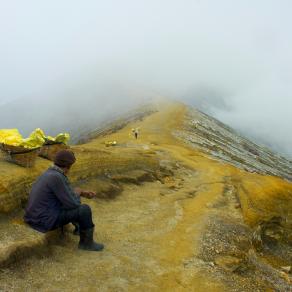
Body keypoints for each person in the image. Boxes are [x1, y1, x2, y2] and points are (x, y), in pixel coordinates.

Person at [24, 149, 104, 252]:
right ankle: (86, 244)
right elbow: (73, 204)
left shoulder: (50, 173)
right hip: (43, 221)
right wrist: (79, 192)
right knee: (84, 210)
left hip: (34, 218)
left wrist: (79, 192)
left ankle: (79, 229)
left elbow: (65, 195)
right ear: (69, 166)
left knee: (70, 202)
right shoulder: (57, 177)